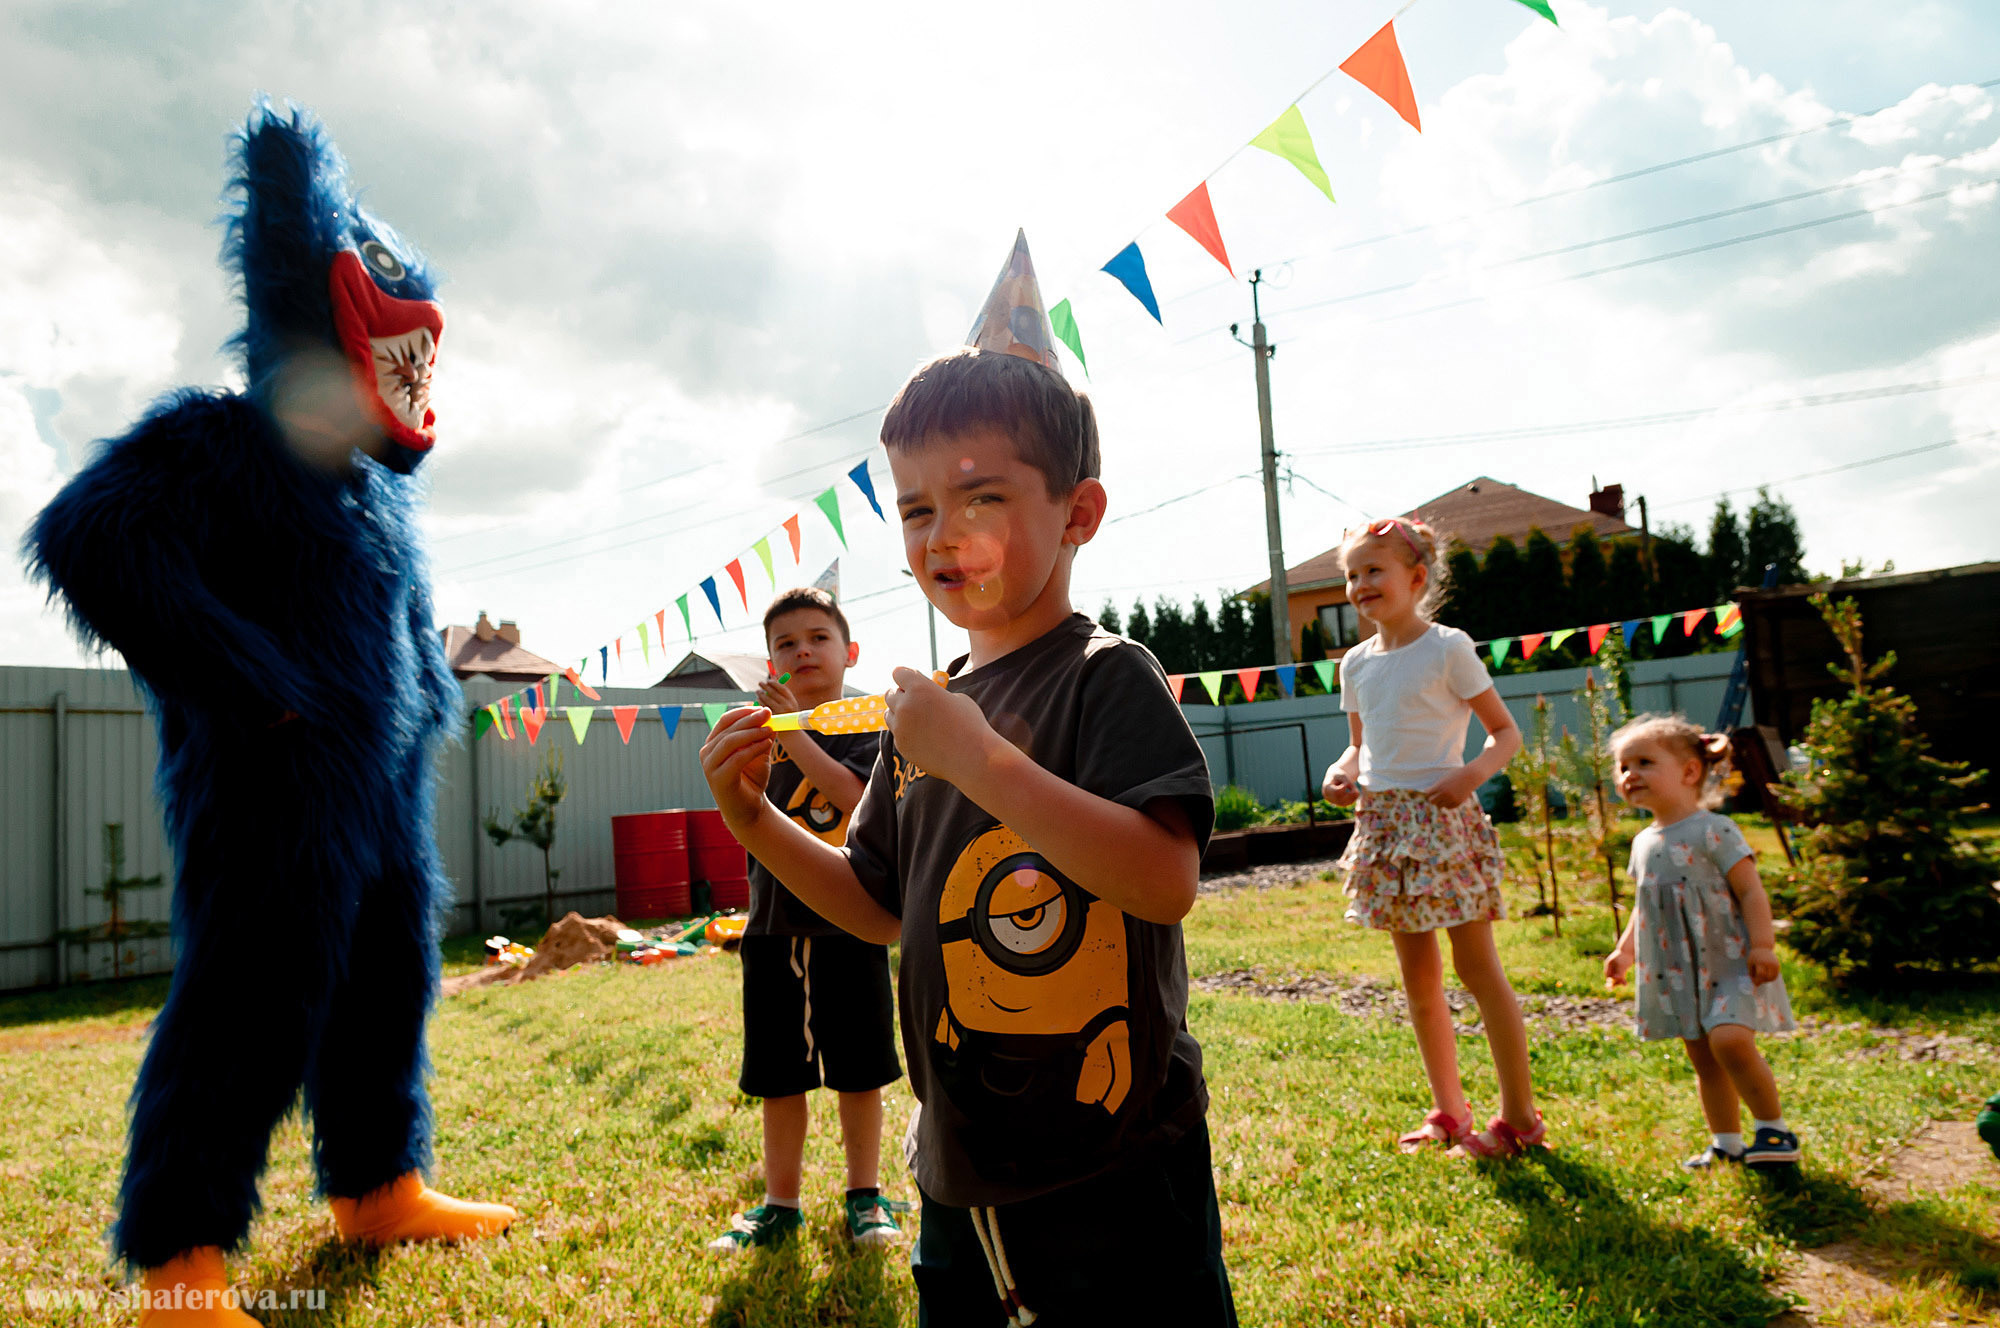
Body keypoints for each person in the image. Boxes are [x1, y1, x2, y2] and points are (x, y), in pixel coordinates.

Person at [700, 230, 1233, 1328]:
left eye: (979, 496)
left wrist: (979, 758)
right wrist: (752, 822)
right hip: (956, 1164)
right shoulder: (925, 705)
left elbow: (1162, 880)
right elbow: (880, 904)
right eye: (913, 507)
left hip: (1114, 1165)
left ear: (1075, 513)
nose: (941, 534)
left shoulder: (1104, 675)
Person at [1321, 517, 1543, 1159]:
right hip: (1386, 828)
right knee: (1419, 980)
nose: (1361, 584)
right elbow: (1361, 746)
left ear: (1416, 578)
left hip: (1443, 824)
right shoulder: (1356, 664)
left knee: (1478, 971)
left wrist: (1467, 775)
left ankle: (1518, 1120)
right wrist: (1343, 770)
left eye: (1374, 570)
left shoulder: (1448, 648)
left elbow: (1506, 736)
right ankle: (1449, 1110)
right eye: (1352, 574)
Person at [709, 587, 905, 1253]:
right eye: (785, 643)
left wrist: (797, 735)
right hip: (772, 927)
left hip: (851, 923)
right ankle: (780, 1205)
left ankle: (865, 1197)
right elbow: (745, 812)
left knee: (861, 1069)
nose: (802, 651)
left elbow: (857, 801)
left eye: (818, 638)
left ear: (850, 652)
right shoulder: (759, 728)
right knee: (778, 1076)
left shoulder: (867, 727)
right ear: (769, 661)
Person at [1603, 715, 1801, 1169]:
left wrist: (1763, 945)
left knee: (1729, 1041)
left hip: (1729, 961)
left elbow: (1751, 889)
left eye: (1644, 762)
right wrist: (1625, 949)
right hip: (1678, 969)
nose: (1629, 775)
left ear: (1690, 772)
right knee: (1703, 1056)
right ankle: (1725, 1142)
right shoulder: (1642, 842)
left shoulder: (1715, 830)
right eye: (1623, 767)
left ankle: (1775, 1130)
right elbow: (1643, 901)